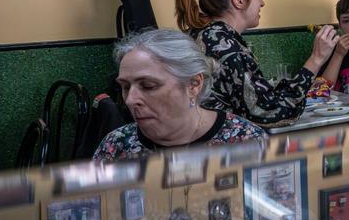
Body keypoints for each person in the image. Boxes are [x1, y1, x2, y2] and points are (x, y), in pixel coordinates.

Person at [175, 0, 339, 124]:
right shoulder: (227, 49)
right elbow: (270, 112)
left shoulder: (203, 34)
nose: (262, 3)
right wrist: (317, 58)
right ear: (239, 0)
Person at [94, 29, 265, 160]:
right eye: (125, 87)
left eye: (148, 86)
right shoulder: (116, 146)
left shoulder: (246, 141)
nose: (131, 100)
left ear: (194, 84)